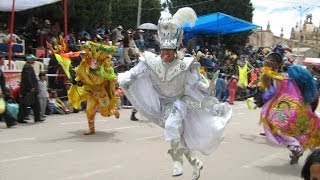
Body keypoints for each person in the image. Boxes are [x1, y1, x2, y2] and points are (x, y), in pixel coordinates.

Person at [118, 7, 232, 180]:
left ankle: (177, 161)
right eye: (163, 50)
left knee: (172, 126)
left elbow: (196, 83)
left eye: (169, 51)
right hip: (163, 104)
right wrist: (125, 80)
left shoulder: (185, 64)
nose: (165, 54)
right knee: (180, 139)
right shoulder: (150, 61)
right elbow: (135, 72)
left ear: (175, 50)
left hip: (182, 101)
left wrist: (209, 87)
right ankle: (195, 163)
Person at [255, 48, 320, 165]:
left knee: (273, 124)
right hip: (300, 106)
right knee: (301, 129)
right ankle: (301, 149)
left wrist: (261, 99)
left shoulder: (278, 77)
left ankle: (296, 148)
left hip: (288, 108)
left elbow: (272, 92)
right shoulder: (291, 74)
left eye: (270, 62)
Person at [17, 54, 43, 123]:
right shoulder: (27, 67)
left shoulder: (27, 66)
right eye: (32, 59)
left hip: (27, 89)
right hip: (29, 89)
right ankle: (36, 117)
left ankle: (22, 118)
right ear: (28, 60)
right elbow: (28, 78)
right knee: (31, 104)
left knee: (27, 104)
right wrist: (31, 87)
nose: (33, 61)